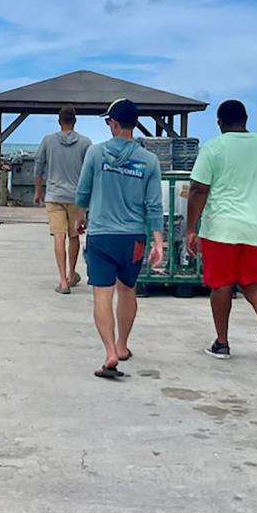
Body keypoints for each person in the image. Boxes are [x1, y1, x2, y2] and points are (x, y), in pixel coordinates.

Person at [185, 99, 257, 361]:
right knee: (254, 282)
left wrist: (191, 229)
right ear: (246, 119)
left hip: (222, 228)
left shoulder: (213, 148)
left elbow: (198, 190)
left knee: (221, 285)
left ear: (220, 123)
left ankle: (222, 343)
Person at [74, 98, 165, 380]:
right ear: (134, 125)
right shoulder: (149, 160)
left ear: (114, 124)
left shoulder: (95, 153)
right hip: (133, 238)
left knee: (102, 293)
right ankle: (124, 345)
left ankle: (110, 351)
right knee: (127, 290)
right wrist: (158, 241)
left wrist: (80, 218)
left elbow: (83, 192)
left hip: (102, 234)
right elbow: (154, 204)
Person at [34, 105, 93, 294]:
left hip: (54, 195)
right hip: (76, 197)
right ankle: (71, 274)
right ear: (75, 121)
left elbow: (38, 166)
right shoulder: (85, 143)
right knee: (74, 235)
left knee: (59, 236)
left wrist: (38, 191)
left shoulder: (48, 141)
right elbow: (89, 172)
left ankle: (63, 282)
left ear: (59, 121)